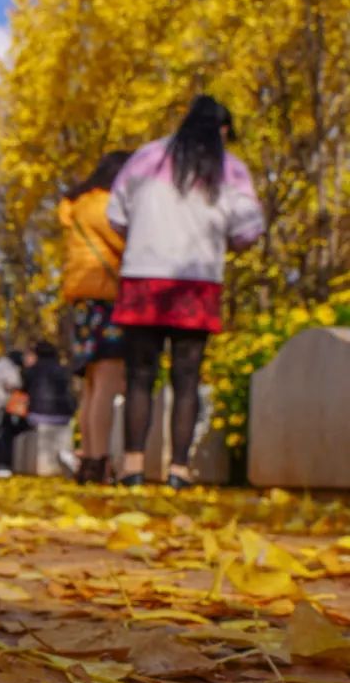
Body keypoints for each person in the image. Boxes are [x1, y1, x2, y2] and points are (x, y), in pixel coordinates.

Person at [108, 95, 263, 490]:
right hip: (197, 281)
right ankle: (178, 469)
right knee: (187, 379)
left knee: (139, 376)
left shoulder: (146, 157)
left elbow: (116, 214)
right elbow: (248, 228)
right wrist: (226, 243)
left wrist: (142, 235)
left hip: (143, 275)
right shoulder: (230, 168)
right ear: (223, 130)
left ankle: (132, 465)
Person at [59, 150, 132, 483]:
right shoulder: (104, 205)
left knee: (91, 384)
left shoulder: (80, 205)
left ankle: (90, 456)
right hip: (106, 297)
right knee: (107, 379)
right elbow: (126, 243)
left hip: (82, 301)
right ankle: (99, 460)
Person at [23, 340, 75, 427]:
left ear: (37, 354)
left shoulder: (32, 370)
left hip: (37, 415)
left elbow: (24, 390)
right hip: (64, 415)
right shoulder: (63, 370)